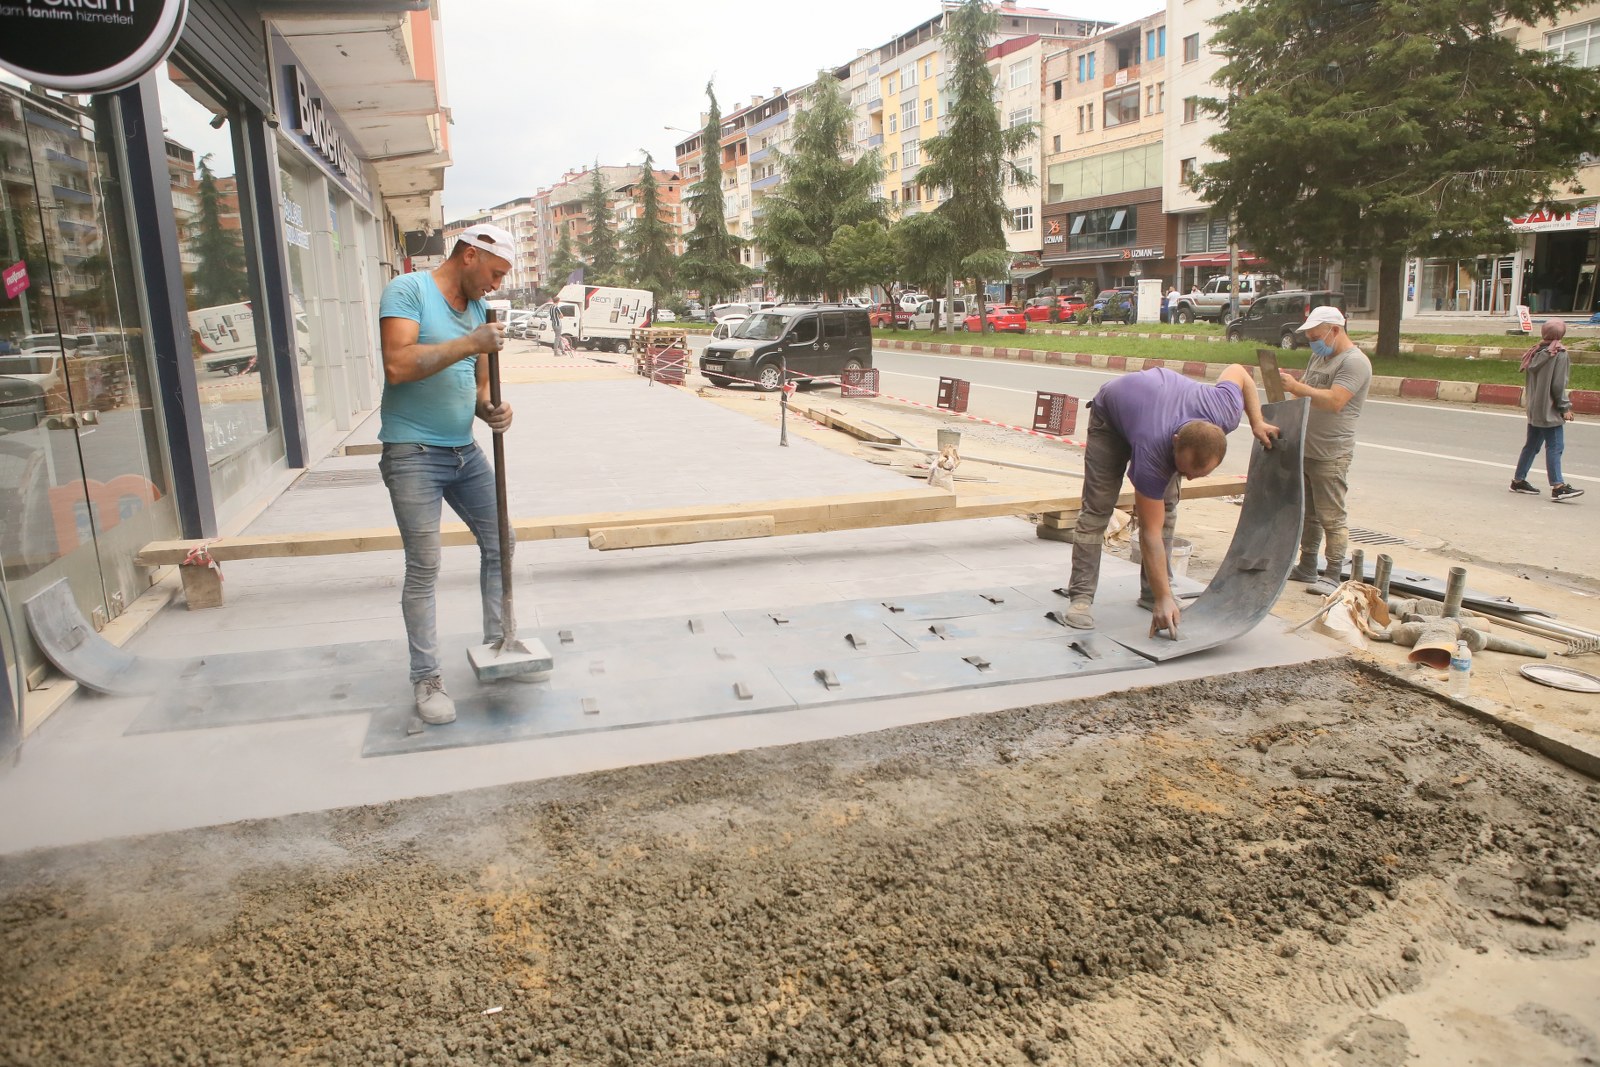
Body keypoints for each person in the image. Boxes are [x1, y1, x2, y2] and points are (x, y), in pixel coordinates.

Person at [377, 223, 520, 726]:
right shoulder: (408, 290)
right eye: (495, 273)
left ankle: (498, 645)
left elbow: (479, 389)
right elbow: (397, 364)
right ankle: (426, 677)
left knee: (502, 541)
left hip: (463, 450)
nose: (496, 286)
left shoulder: (479, 311)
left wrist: (491, 411)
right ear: (469, 257)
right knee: (425, 567)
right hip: (412, 451)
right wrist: (470, 343)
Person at [1065, 365, 1279, 633]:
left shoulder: (1225, 410)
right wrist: (1166, 598)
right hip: (1111, 416)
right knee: (1098, 508)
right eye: (1184, 470)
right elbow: (1149, 533)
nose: (1187, 479)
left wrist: (1257, 421)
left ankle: (1152, 593)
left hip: (1156, 409)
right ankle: (1081, 597)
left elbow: (1239, 371)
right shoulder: (1153, 451)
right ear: (1175, 442)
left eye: (1196, 475)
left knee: (1167, 509)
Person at [1278, 305, 1373, 584]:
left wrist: (1296, 387)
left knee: (1331, 516)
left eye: (1315, 337)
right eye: (1309, 339)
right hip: (1306, 449)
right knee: (1309, 514)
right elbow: (1305, 392)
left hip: (1331, 452)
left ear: (1334, 330)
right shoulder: (1319, 358)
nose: (1313, 343)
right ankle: (1307, 565)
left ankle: (1333, 573)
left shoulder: (1354, 362)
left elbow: (1335, 401)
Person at [1511, 320, 1583, 501]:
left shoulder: (1535, 352)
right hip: (1549, 409)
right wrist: (1564, 407)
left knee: (1532, 445)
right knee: (1555, 446)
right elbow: (1559, 384)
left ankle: (1518, 480)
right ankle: (1558, 486)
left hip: (1535, 407)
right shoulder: (1559, 354)